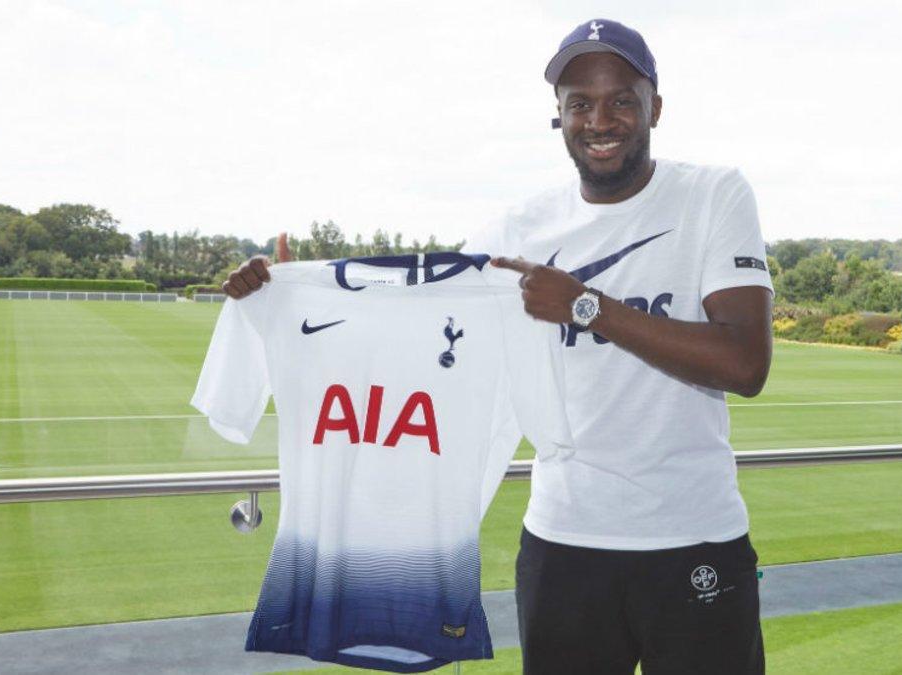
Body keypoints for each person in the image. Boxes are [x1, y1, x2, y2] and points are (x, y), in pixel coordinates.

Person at [223, 18, 773, 675]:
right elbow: (419, 320)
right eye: (580, 104)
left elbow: (744, 362)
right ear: (558, 117)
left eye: (622, 99)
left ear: (655, 106)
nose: (601, 119)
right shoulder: (518, 227)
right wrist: (292, 292)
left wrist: (584, 305)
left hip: (695, 536)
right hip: (566, 543)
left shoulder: (712, 195)